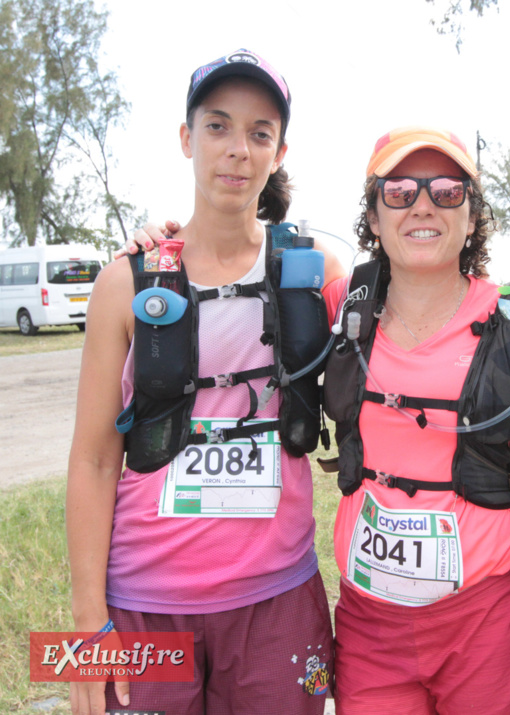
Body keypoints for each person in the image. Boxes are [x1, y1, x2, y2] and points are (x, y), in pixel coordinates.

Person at [66, 49, 341, 715]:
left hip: (277, 601)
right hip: (145, 607)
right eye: (217, 127)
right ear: (186, 139)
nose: (236, 150)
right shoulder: (124, 281)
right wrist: (84, 621)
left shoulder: (314, 274)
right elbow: (95, 457)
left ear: (278, 152)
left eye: (258, 133)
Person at [320, 126, 510, 714]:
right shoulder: (341, 304)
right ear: (373, 215)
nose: (422, 204)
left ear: (472, 218)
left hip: (483, 618)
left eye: (447, 191)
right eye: (398, 191)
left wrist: (472, 423)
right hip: (370, 621)